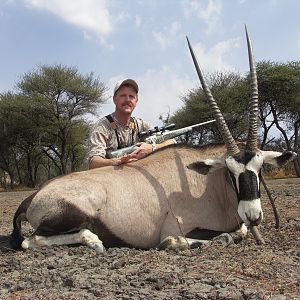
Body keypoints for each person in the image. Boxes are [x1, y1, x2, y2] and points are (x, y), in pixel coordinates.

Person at [88, 78, 176, 169]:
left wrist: (152, 148)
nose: (127, 99)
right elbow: (93, 162)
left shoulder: (141, 125)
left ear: (136, 101)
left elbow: (172, 142)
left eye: (131, 96)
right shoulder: (102, 126)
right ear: (114, 99)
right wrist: (117, 161)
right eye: (123, 96)